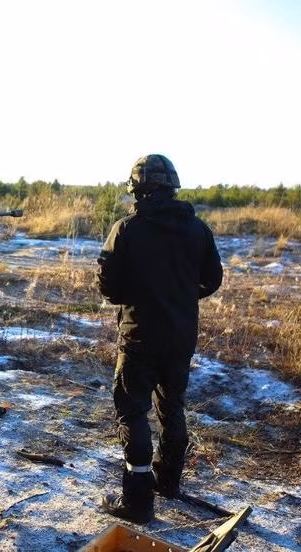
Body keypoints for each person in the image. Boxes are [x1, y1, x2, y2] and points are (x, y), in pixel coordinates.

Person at [97, 154, 223, 523]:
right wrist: (180, 297)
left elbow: (109, 289)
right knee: (172, 407)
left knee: (132, 410)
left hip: (139, 337)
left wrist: (145, 295)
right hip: (181, 336)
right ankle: (168, 482)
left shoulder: (127, 229)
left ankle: (137, 501)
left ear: (137, 189)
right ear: (171, 187)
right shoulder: (197, 229)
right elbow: (212, 280)